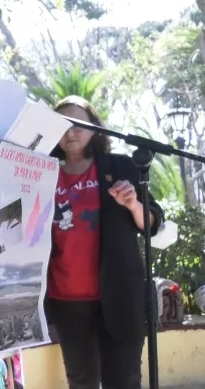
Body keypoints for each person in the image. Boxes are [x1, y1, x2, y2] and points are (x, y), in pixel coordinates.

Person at [47, 95, 164, 389]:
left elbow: (153, 222)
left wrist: (133, 204)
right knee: (81, 381)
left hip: (120, 295)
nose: (70, 133)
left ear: (95, 128)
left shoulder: (121, 166)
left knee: (124, 381)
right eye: (62, 125)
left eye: (78, 124)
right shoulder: (42, 173)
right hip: (67, 300)